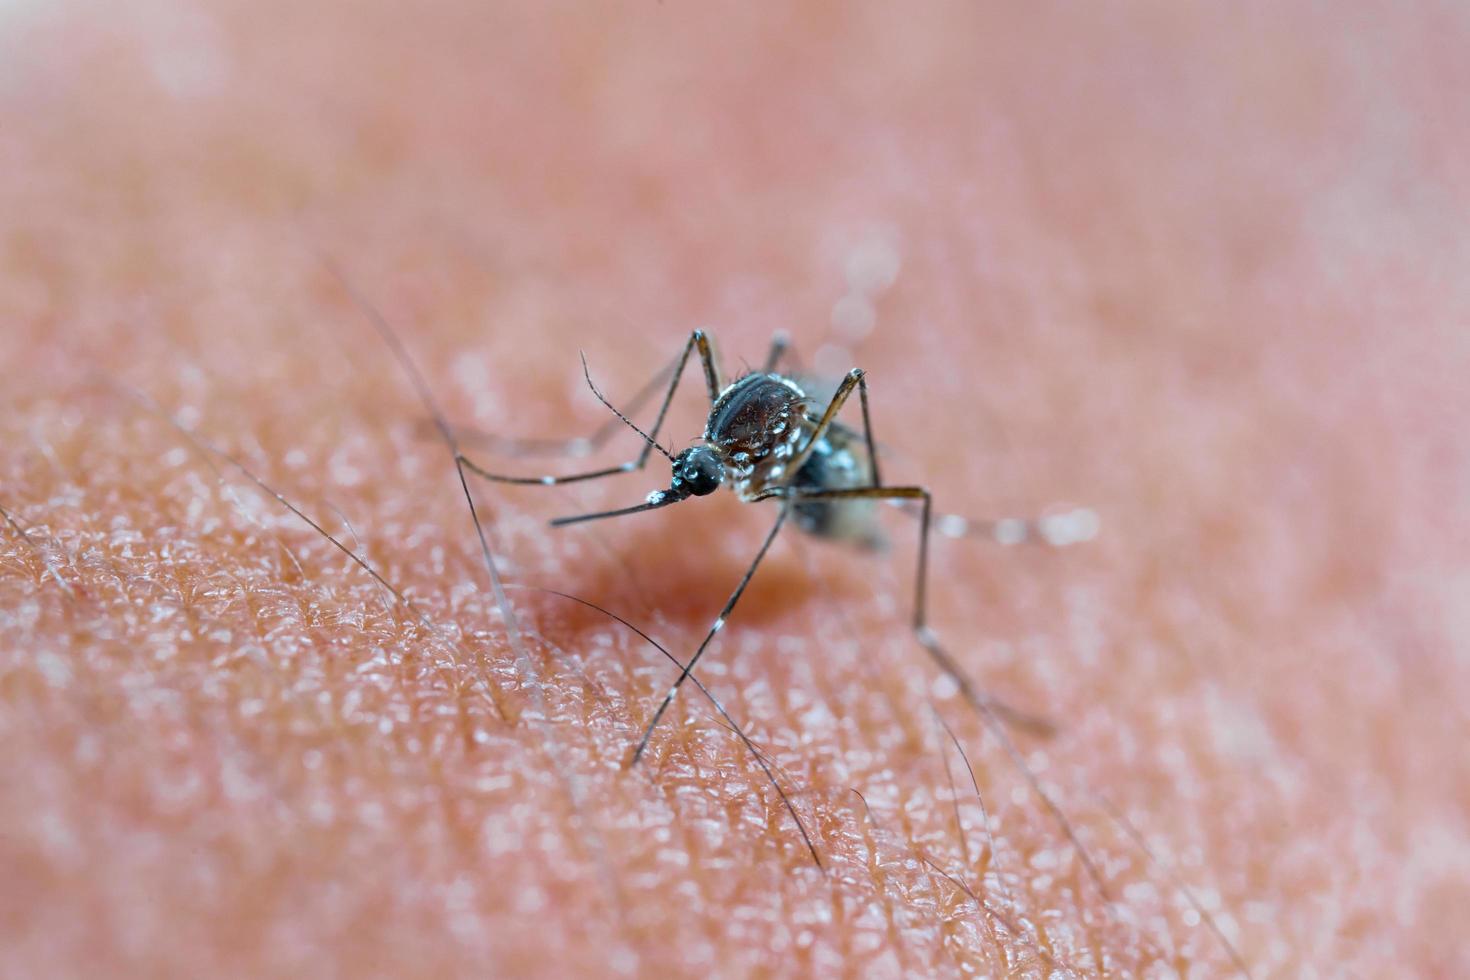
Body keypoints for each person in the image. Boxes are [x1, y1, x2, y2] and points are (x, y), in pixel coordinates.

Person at [2, 2, 1464, 975]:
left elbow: (778, 462)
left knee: (830, 457)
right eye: (688, 465)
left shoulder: (775, 470)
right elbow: (698, 433)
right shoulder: (711, 426)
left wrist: (722, 591)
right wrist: (600, 460)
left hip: (833, 484)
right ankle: (561, 450)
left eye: (690, 467)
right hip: (772, 433)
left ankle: (940, 639)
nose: (686, 478)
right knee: (728, 364)